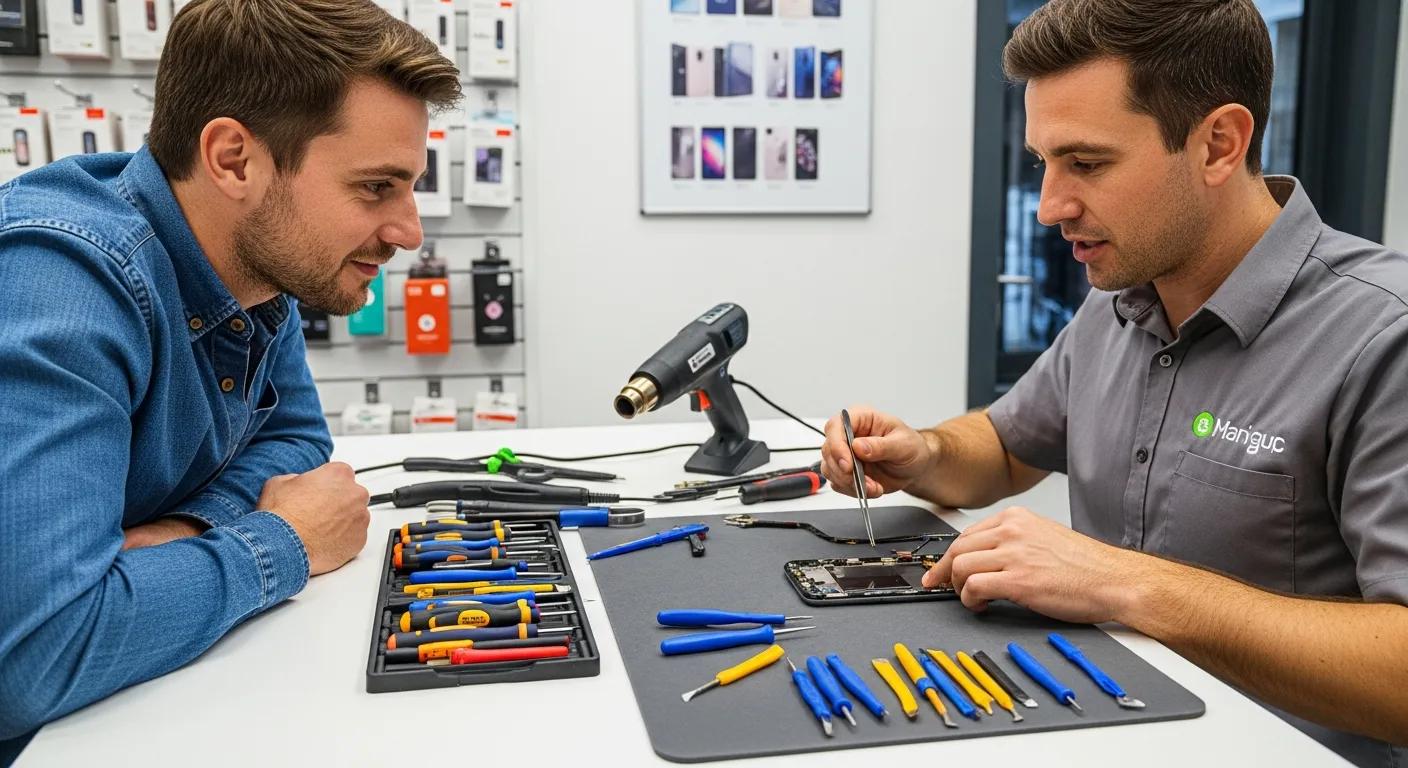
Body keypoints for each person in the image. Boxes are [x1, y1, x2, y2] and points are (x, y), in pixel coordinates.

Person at [820, 0, 1408, 764]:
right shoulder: (1120, 298)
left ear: (1219, 144)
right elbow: (1004, 447)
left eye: (1087, 164)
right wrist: (925, 452)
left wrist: (1126, 584)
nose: (1048, 207)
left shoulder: (1382, 337)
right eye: (1044, 164)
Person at [0, 0, 461, 758]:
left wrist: (183, 534)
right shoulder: (58, 285)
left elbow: (296, 443)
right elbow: (37, 655)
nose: (409, 230)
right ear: (234, 160)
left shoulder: (252, 268)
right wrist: (281, 542)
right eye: (376, 187)